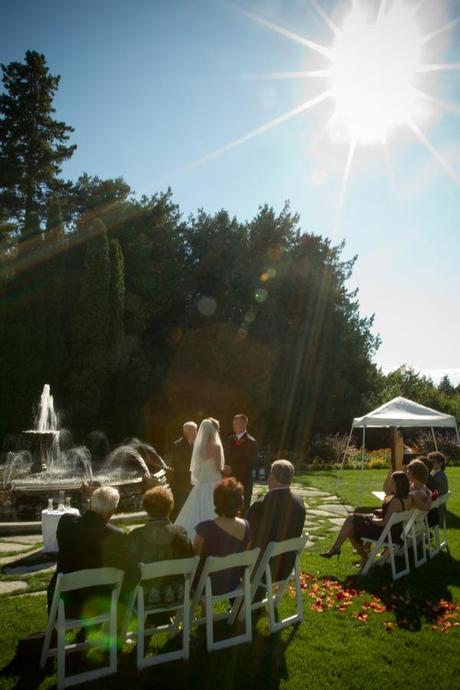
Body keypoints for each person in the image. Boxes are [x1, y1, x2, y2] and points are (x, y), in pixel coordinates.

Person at [47, 486, 139, 615]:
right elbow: (132, 571)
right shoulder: (116, 536)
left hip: (62, 603)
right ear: (113, 511)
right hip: (97, 606)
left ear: (90, 503)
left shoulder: (66, 523)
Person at [321, 471, 412, 564]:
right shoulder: (407, 498)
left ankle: (342, 550)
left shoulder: (396, 501)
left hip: (386, 534)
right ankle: (341, 550)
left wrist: (371, 519)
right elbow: (393, 514)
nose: (390, 483)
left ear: (398, 484)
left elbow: (385, 522)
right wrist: (380, 512)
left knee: (351, 524)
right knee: (350, 526)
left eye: (392, 482)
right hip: (395, 533)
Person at [128, 486, 193, 607]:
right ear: (170, 507)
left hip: (144, 599)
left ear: (146, 509)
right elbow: (190, 559)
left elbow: (128, 568)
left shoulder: (136, 536)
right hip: (177, 595)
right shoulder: (181, 533)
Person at [247, 459, 305, 582]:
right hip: (287, 567)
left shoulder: (261, 505)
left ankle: (244, 598)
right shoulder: (299, 501)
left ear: (272, 478)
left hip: (263, 569)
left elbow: (246, 536)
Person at [194, 478, 251, 594]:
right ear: (239, 502)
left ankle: (205, 609)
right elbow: (246, 550)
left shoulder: (205, 528)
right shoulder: (246, 526)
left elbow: (195, 557)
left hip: (206, 585)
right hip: (232, 583)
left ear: (217, 501)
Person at [174, 418, 224, 540]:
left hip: (202, 482)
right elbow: (218, 468)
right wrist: (224, 468)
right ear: (212, 431)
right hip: (213, 480)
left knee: (194, 508)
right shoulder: (215, 446)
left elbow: (197, 466)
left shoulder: (199, 447)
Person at [225, 414, 258, 511]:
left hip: (244, 481)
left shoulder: (251, 442)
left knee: (241, 507)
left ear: (244, 424)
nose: (234, 425)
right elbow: (226, 456)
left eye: (237, 423)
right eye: (233, 423)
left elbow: (250, 463)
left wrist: (232, 469)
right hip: (229, 480)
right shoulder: (229, 439)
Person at [169, 421, 197, 518]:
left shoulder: (195, 444)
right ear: (187, 431)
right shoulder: (177, 445)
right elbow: (176, 463)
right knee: (179, 508)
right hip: (180, 483)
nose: (196, 432)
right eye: (194, 430)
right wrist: (191, 472)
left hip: (192, 482)